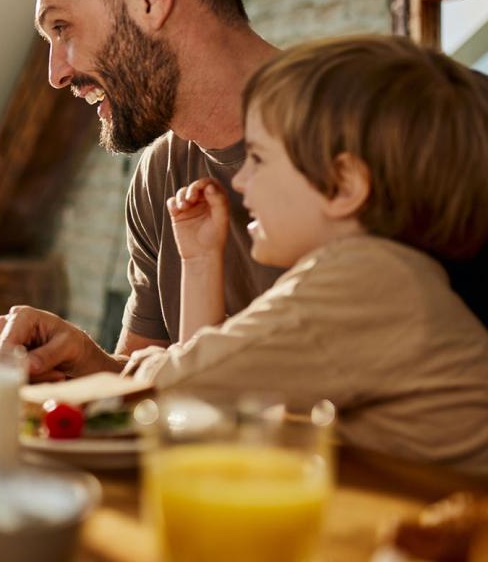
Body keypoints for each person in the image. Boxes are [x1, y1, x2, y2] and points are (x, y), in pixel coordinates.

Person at [128, 35, 488, 474]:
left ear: (344, 185)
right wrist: (201, 264)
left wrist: (139, 370)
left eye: (258, 159)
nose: (240, 182)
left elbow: (186, 386)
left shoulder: (367, 284)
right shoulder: (388, 276)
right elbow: (210, 402)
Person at [0, 0, 282, 380]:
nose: (56, 75)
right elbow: (159, 380)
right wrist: (88, 362)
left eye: (63, 28)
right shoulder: (161, 175)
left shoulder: (360, 132)